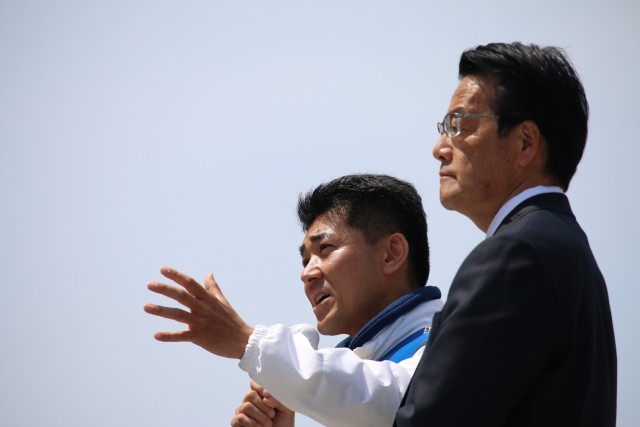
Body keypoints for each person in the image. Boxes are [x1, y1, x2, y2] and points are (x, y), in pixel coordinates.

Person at [394, 42, 617, 427]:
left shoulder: (516, 254)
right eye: (444, 128)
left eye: (459, 125)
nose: (440, 148)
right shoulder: (561, 247)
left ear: (525, 142)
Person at [144, 174, 443, 427]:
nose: (307, 273)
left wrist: (249, 342)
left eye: (325, 249)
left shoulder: (449, 338)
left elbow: (397, 399)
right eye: (305, 261)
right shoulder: (357, 370)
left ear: (391, 253)